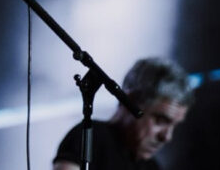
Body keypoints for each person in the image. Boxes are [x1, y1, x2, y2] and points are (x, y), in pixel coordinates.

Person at [53, 57, 194, 170]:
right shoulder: (89, 137)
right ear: (130, 100)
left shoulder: (151, 166)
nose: (167, 136)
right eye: (161, 120)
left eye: (174, 125)